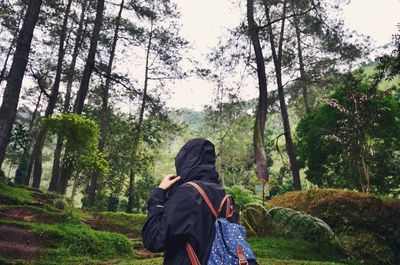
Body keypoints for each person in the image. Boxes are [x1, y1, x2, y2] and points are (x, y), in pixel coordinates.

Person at [141, 138, 228, 265]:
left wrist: (158, 194)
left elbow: (154, 240)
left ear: (186, 160)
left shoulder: (188, 193)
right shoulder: (220, 191)